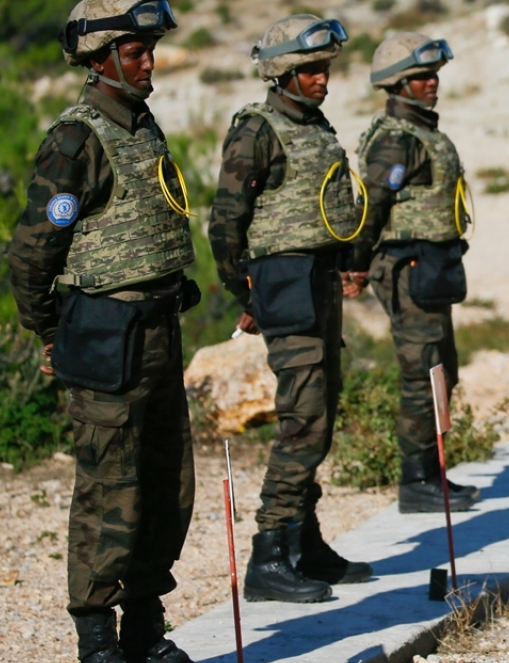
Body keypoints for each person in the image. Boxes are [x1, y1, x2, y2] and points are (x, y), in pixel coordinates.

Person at [7, 0, 220, 663]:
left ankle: (146, 638)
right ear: (99, 58)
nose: (149, 61)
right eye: (135, 51)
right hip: (104, 338)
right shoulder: (76, 140)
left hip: (159, 330)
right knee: (109, 493)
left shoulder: (141, 125)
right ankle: (96, 650)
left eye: (151, 49)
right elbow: (35, 251)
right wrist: (50, 333)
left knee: (166, 487)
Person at [209, 14, 372, 604]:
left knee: (322, 413)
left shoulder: (317, 125)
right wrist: (247, 294)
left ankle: (304, 541)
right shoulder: (257, 130)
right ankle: (270, 553)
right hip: (287, 288)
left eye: (325, 68)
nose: (322, 78)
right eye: (309, 70)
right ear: (282, 72)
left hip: (321, 283)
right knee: (303, 421)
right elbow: (226, 223)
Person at [348, 32, 480, 513]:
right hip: (408, 268)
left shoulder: (422, 133)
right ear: (398, 84)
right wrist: (356, 265)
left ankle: (433, 472)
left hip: (433, 266)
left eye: (433, 76)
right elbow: (374, 205)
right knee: (423, 372)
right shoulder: (396, 141)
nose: (432, 85)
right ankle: (416, 480)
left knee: (443, 369)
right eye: (421, 78)